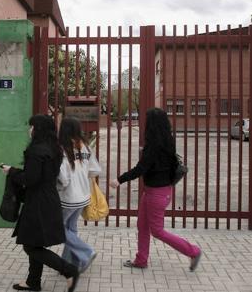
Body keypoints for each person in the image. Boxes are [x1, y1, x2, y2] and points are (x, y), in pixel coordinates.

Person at [109, 108, 203, 271]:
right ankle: (141, 260)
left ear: (151, 125)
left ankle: (193, 251)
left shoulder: (153, 146)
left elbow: (141, 168)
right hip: (157, 192)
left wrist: (119, 180)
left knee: (157, 231)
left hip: (157, 194)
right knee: (142, 225)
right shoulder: (168, 142)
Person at [1, 115, 80, 292]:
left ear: (39, 129)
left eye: (32, 126)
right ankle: (33, 281)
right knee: (34, 242)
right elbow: (42, 176)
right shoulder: (55, 149)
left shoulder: (36, 151)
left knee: (30, 246)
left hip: (37, 202)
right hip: (49, 199)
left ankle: (69, 270)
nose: (30, 130)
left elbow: (30, 179)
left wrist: (11, 171)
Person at [57, 118, 102, 273]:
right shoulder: (84, 147)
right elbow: (95, 170)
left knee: (58, 228)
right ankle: (69, 263)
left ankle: (86, 251)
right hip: (83, 196)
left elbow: (63, 178)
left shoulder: (62, 148)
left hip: (68, 196)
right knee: (71, 228)